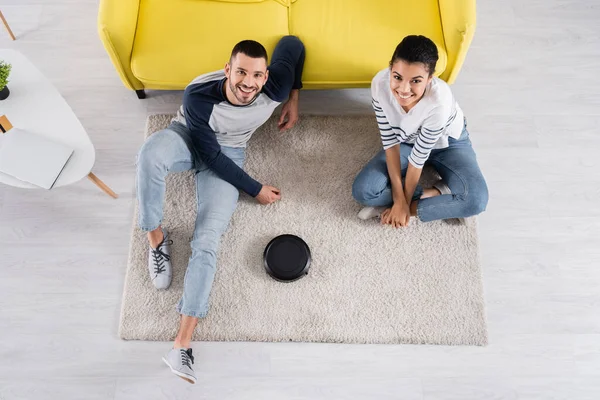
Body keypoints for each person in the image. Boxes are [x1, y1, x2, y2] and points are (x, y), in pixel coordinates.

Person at [136, 36, 305, 384]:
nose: (248, 83)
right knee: (150, 154)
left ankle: (181, 345)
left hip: (230, 151)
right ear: (228, 69)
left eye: (256, 75)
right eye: (240, 72)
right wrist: (254, 188)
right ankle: (156, 237)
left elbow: (292, 43)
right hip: (187, 138)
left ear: (266, 75)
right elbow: (207, 155)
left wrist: (293, 97)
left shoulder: (274, 85)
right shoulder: (198, 96)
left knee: (208, 239)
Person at [352, 35, 488, 227]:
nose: (404, 89)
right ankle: (440, 194)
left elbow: (418, 160)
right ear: (390, 69)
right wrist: (399, 199)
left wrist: (404, 206)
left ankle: (409, 203)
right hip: (407, 141)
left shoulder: (439, 102)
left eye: (415, 81)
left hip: (449, 144)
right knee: (364, 191)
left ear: (430, 79)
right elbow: (391, 143)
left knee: (475, 200)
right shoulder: (379, 85)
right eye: (397, 77)